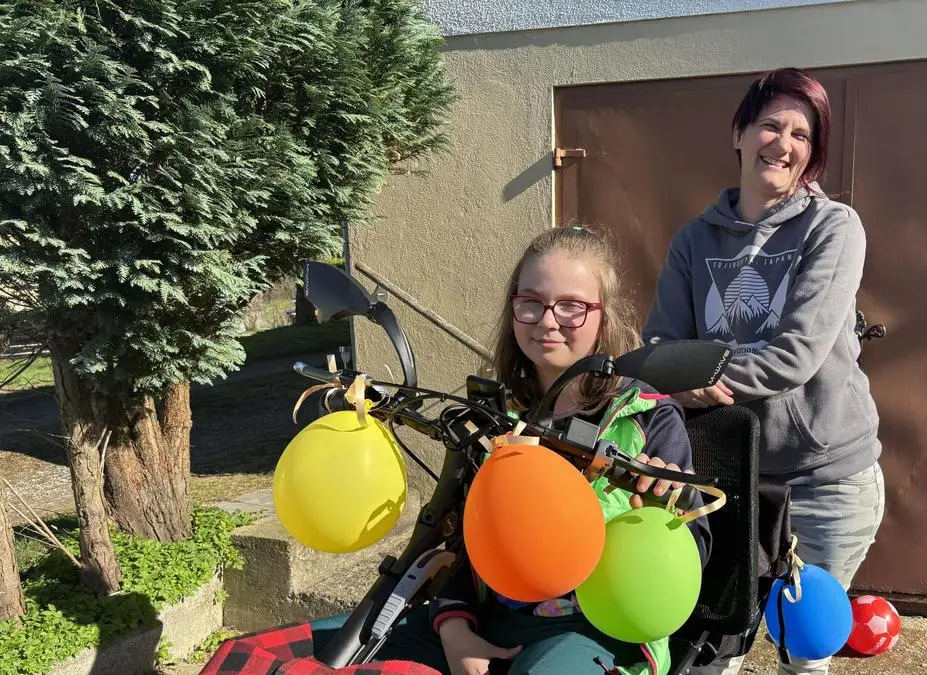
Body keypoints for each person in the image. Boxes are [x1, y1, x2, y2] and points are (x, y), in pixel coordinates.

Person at [309, 225, 712, 675]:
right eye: (531, 302)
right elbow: (465, 538)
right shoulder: (497, 416)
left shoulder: (647, 417)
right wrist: (454, 627)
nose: (548, 321)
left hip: (600, 630)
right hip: (490, 617)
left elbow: (691, 553)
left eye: (572, 306)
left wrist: (661, 508)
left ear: (605, 316)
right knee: (315, 653)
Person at [642, 68, 885, 675]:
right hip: (728, 478)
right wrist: (672, 380)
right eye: (771, 125)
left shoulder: (833, 228)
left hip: (825, 482)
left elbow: (795, 355)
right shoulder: (693, 240)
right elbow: (661, 346)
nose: (783, 143)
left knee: (804, 655)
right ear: (739, 133)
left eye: (802, 135)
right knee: (712, 648)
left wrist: (697, 384)